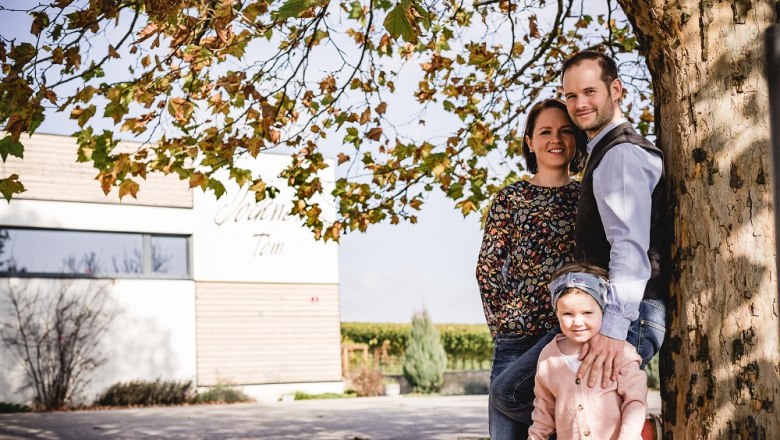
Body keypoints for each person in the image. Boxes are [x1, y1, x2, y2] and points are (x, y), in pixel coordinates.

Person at [489, 50, 669, 438]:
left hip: (626, 314)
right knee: (553, 398)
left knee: (512, 392)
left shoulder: (619, 155)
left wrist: (612, 332)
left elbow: (629, 251)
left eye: (590, 91)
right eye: (571, 96)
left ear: (615, 89)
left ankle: (640, 430)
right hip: (612, 312)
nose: (579, 104)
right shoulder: (605, 153)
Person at [476, 98, 587, 439]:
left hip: (566, 337)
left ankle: (566, 420)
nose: (556, 139)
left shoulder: (587, 199)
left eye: (565, 131)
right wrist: (502, 323)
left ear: (576, 140)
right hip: (515, 338)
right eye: (546, 131)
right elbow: (488, 266)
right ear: (530, 140)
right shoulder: (511, 199)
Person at [528, 262, 647, 440]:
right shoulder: (548, 358)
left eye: (587, 313)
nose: (577, 322)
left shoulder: (622, 352)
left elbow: (635, 401)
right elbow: (543, 413)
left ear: (603, 310)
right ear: (557, 313)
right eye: (568, 314)